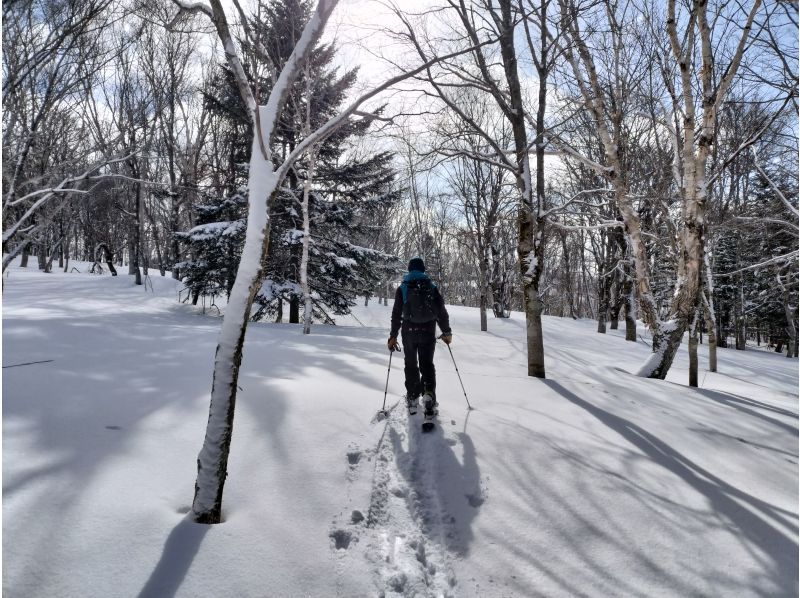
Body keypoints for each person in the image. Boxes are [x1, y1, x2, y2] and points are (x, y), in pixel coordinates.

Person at [388, 257, 452, 416]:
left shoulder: (402, 287)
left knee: (410, 363)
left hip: (408, 331)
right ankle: (429, 394)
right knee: (427, 364)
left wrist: (393, 335)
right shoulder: (431, 287)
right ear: (423, 270)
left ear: (409, 269)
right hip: (428, 331)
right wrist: (446, 332)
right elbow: (441, 312)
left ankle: (412, 397)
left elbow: (396, 314)